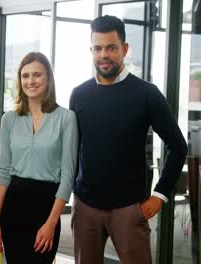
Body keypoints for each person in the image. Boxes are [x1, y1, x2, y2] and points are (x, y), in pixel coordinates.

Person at [69, 15, 188, 263]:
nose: (104, 55)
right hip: (85, 207)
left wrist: (160, 194)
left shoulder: (147, 94)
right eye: (98, 48)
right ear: (91, 50)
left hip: (129, 208)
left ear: (124, 49)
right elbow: (71, 150)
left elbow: (178, 146)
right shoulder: (79, 95)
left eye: (111, 48)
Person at [0, 52, 78, 263]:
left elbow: (68, 175)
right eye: (25, 76)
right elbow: (4, 173)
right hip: (14, 208)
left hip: (46, 208)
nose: (30, 81)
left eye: (37, 75)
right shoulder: (9, 120)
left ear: (48, 77)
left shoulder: (66, 118)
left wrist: (51, 222)